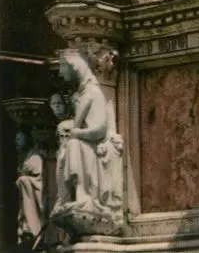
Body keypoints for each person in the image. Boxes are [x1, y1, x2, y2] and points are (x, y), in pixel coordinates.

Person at [51, 49, 124, 235]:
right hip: (87, 144)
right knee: (65, 148)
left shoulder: (94, 93)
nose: (60, 72)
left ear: (74, 66)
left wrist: (76, 132)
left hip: (96, 147)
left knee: (73, 144)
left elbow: (99, 129)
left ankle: (84, 194)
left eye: (62, 66)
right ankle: (66, 196)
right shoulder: (82, 94)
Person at [15, 129, 45, 247]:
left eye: (18, 139)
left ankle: (32, 227)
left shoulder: (35, 154)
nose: (16, 142)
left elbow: (35, 168)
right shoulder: (25, 155)